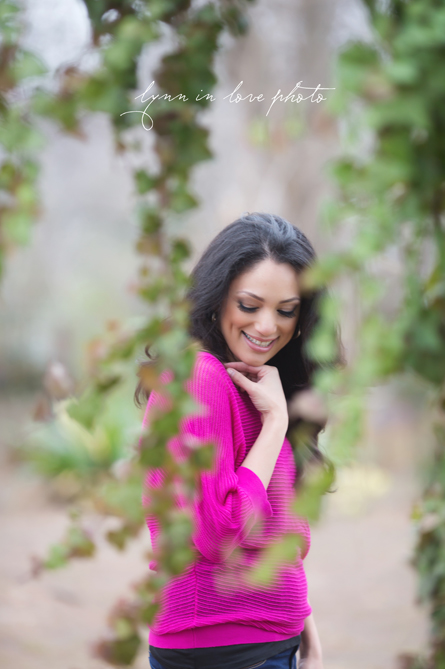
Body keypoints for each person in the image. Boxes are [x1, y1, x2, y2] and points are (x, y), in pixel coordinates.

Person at [139, 213, 328, 669]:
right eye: (249, 305)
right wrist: (277, 423)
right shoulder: (200, 377)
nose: (267, 326)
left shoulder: (254, 386)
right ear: (216, 299)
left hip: (269, 642)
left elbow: (276, 531)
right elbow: (221, 531)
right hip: (225, 649)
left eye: (286, 310)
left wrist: (306, 630)